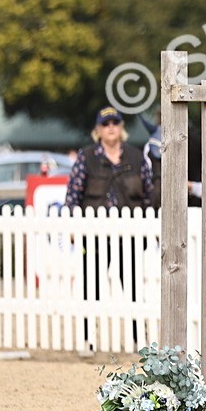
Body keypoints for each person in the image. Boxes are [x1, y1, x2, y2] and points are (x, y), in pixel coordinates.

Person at [65, 105, 155, 349]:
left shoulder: (137, 157)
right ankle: (87, 339)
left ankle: (139, 340)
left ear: (121, 127)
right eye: (106, 124)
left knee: (135, 288)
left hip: (130, 236)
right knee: (90, 288)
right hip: (94, 236)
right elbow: (73, 195)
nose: (111, 127)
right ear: (98, 130)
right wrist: (74, 226)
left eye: (115, 122)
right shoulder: (86, 157)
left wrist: (148, 228)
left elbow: (149, 195)